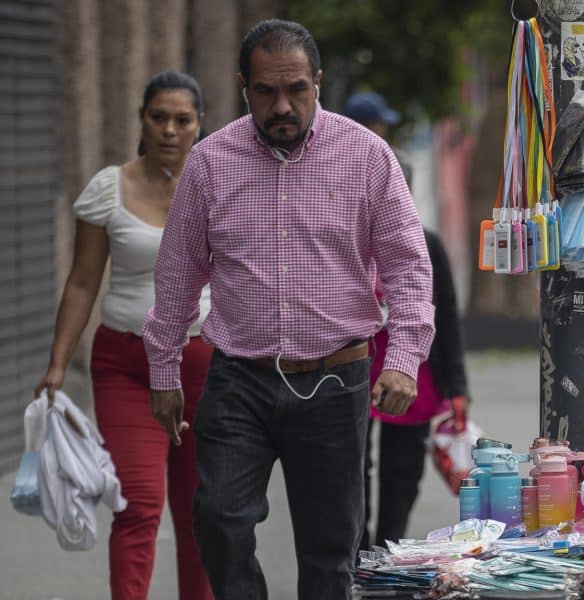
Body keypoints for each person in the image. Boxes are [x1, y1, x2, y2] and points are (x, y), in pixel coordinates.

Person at [142, 20, 434, 599]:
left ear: (318, 83)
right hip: (238, 380)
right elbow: (178, 274)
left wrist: (403, 358)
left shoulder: (368, 157)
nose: (283, 106)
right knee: (219, 520)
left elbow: (408, 268)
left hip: (335, 380)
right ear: (242, 87)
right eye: (266, 92)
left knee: (331, 553)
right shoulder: (209, 164)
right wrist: (163, 368)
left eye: (296, 89)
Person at [35, 71, 214, 600]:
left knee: (199, 510)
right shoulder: (108, 188)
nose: (169, 129)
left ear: (199, 125)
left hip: (202, 364)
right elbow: (83, 281)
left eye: (182, 120)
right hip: (125, 365)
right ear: (142, 119)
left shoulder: (224, 188)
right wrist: (57, 364)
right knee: (136, 503)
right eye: (158, 117)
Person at [341, 92, 470, 551]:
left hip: (410, 363)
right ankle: (354, 548)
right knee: (352, 462)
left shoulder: (426, 243)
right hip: (353, 359)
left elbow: (447, 315)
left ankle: (387, 546)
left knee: (402, 467)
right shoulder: (346, 230)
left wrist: (456, 386)